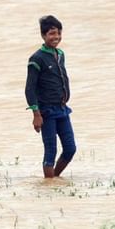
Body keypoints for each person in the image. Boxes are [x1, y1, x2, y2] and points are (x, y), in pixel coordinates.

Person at [26, 15, 75, 179]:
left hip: (62, 109)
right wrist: (36, 114)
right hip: (46, 111)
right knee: (51, 150)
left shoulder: (60, 54)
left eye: (59, 33)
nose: (56, 37)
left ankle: (52, 179)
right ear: (43, 35)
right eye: (52, 34)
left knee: (70, 148)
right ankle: (49, 181)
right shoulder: (36, 58)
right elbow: (29, 89)